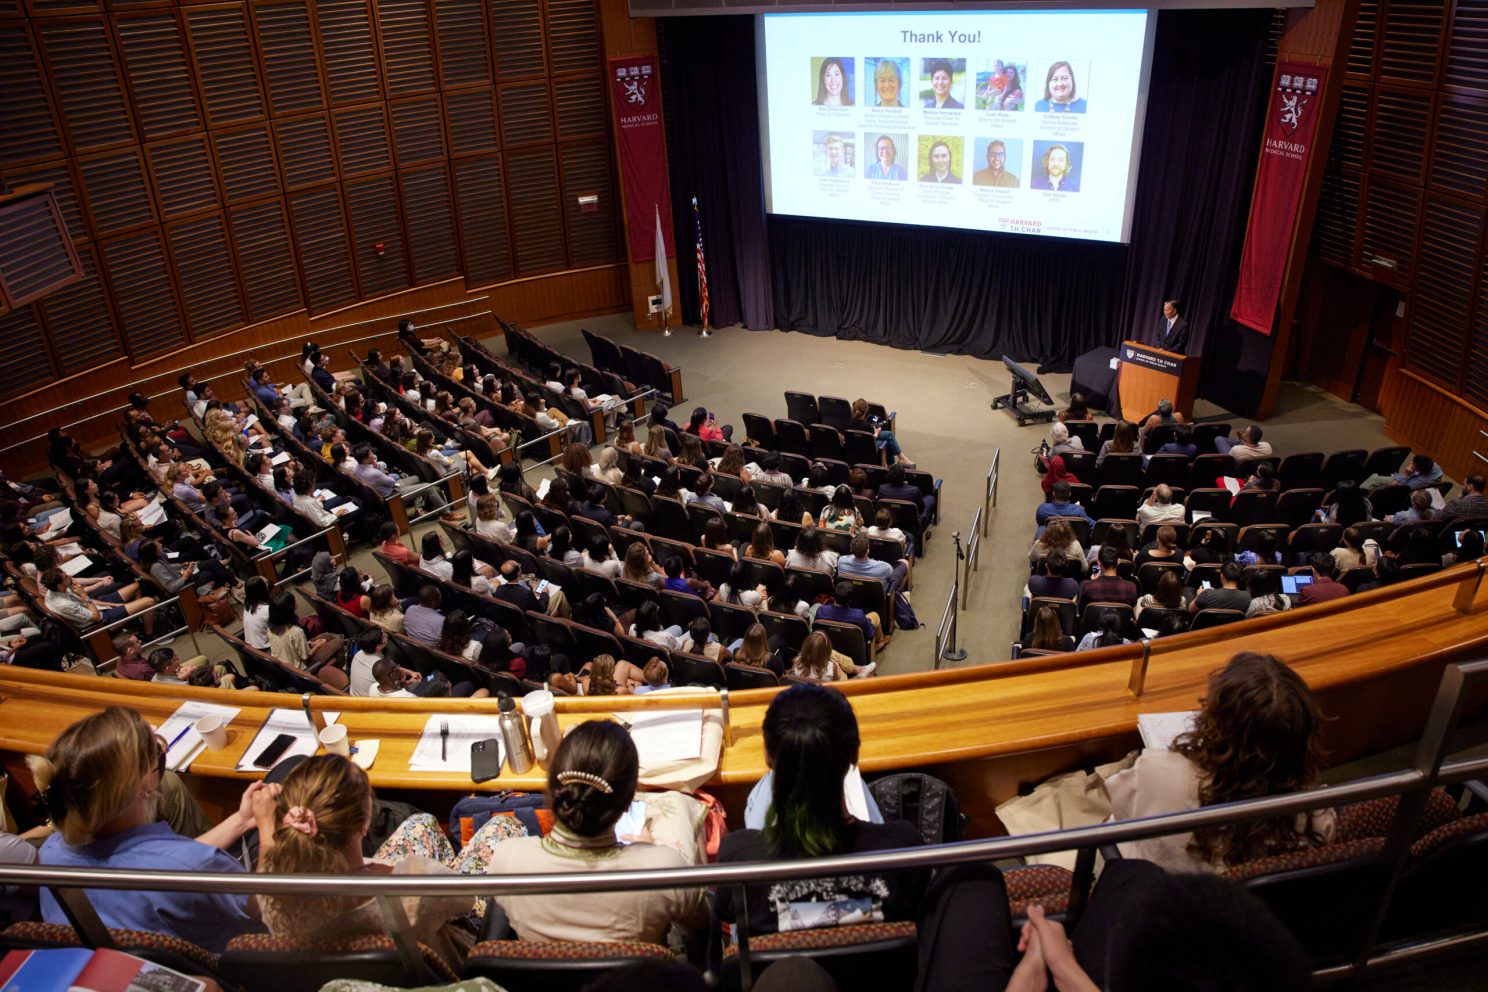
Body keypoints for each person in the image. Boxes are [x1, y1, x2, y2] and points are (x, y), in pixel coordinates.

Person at [30, 707, 263, 953]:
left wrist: (242, 819)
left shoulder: (51, 854)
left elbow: (170, 862)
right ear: (146, 781)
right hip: (234, 964)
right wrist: (268, 827)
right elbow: (264, 907)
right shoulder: (193, 864)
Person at [715, 685, 926, 935]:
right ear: (855, 754)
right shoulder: (903, 848)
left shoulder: (738, 857)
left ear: (768, 758)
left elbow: (725, 913)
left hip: (778, 975)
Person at [1106, 652, 1335, 873]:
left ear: (1217, 721)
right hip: (1244, 910)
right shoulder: (1315, 813)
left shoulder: (1157, 770)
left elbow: (1115, 803)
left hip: (1158, 899)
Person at [483, 720, 708, 941]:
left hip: (540, 977)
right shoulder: (662, 868)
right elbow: (703, 925)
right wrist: (650, 854)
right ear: (630, 800)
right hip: (636, 978)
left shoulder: (507, 858)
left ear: (551, 787)